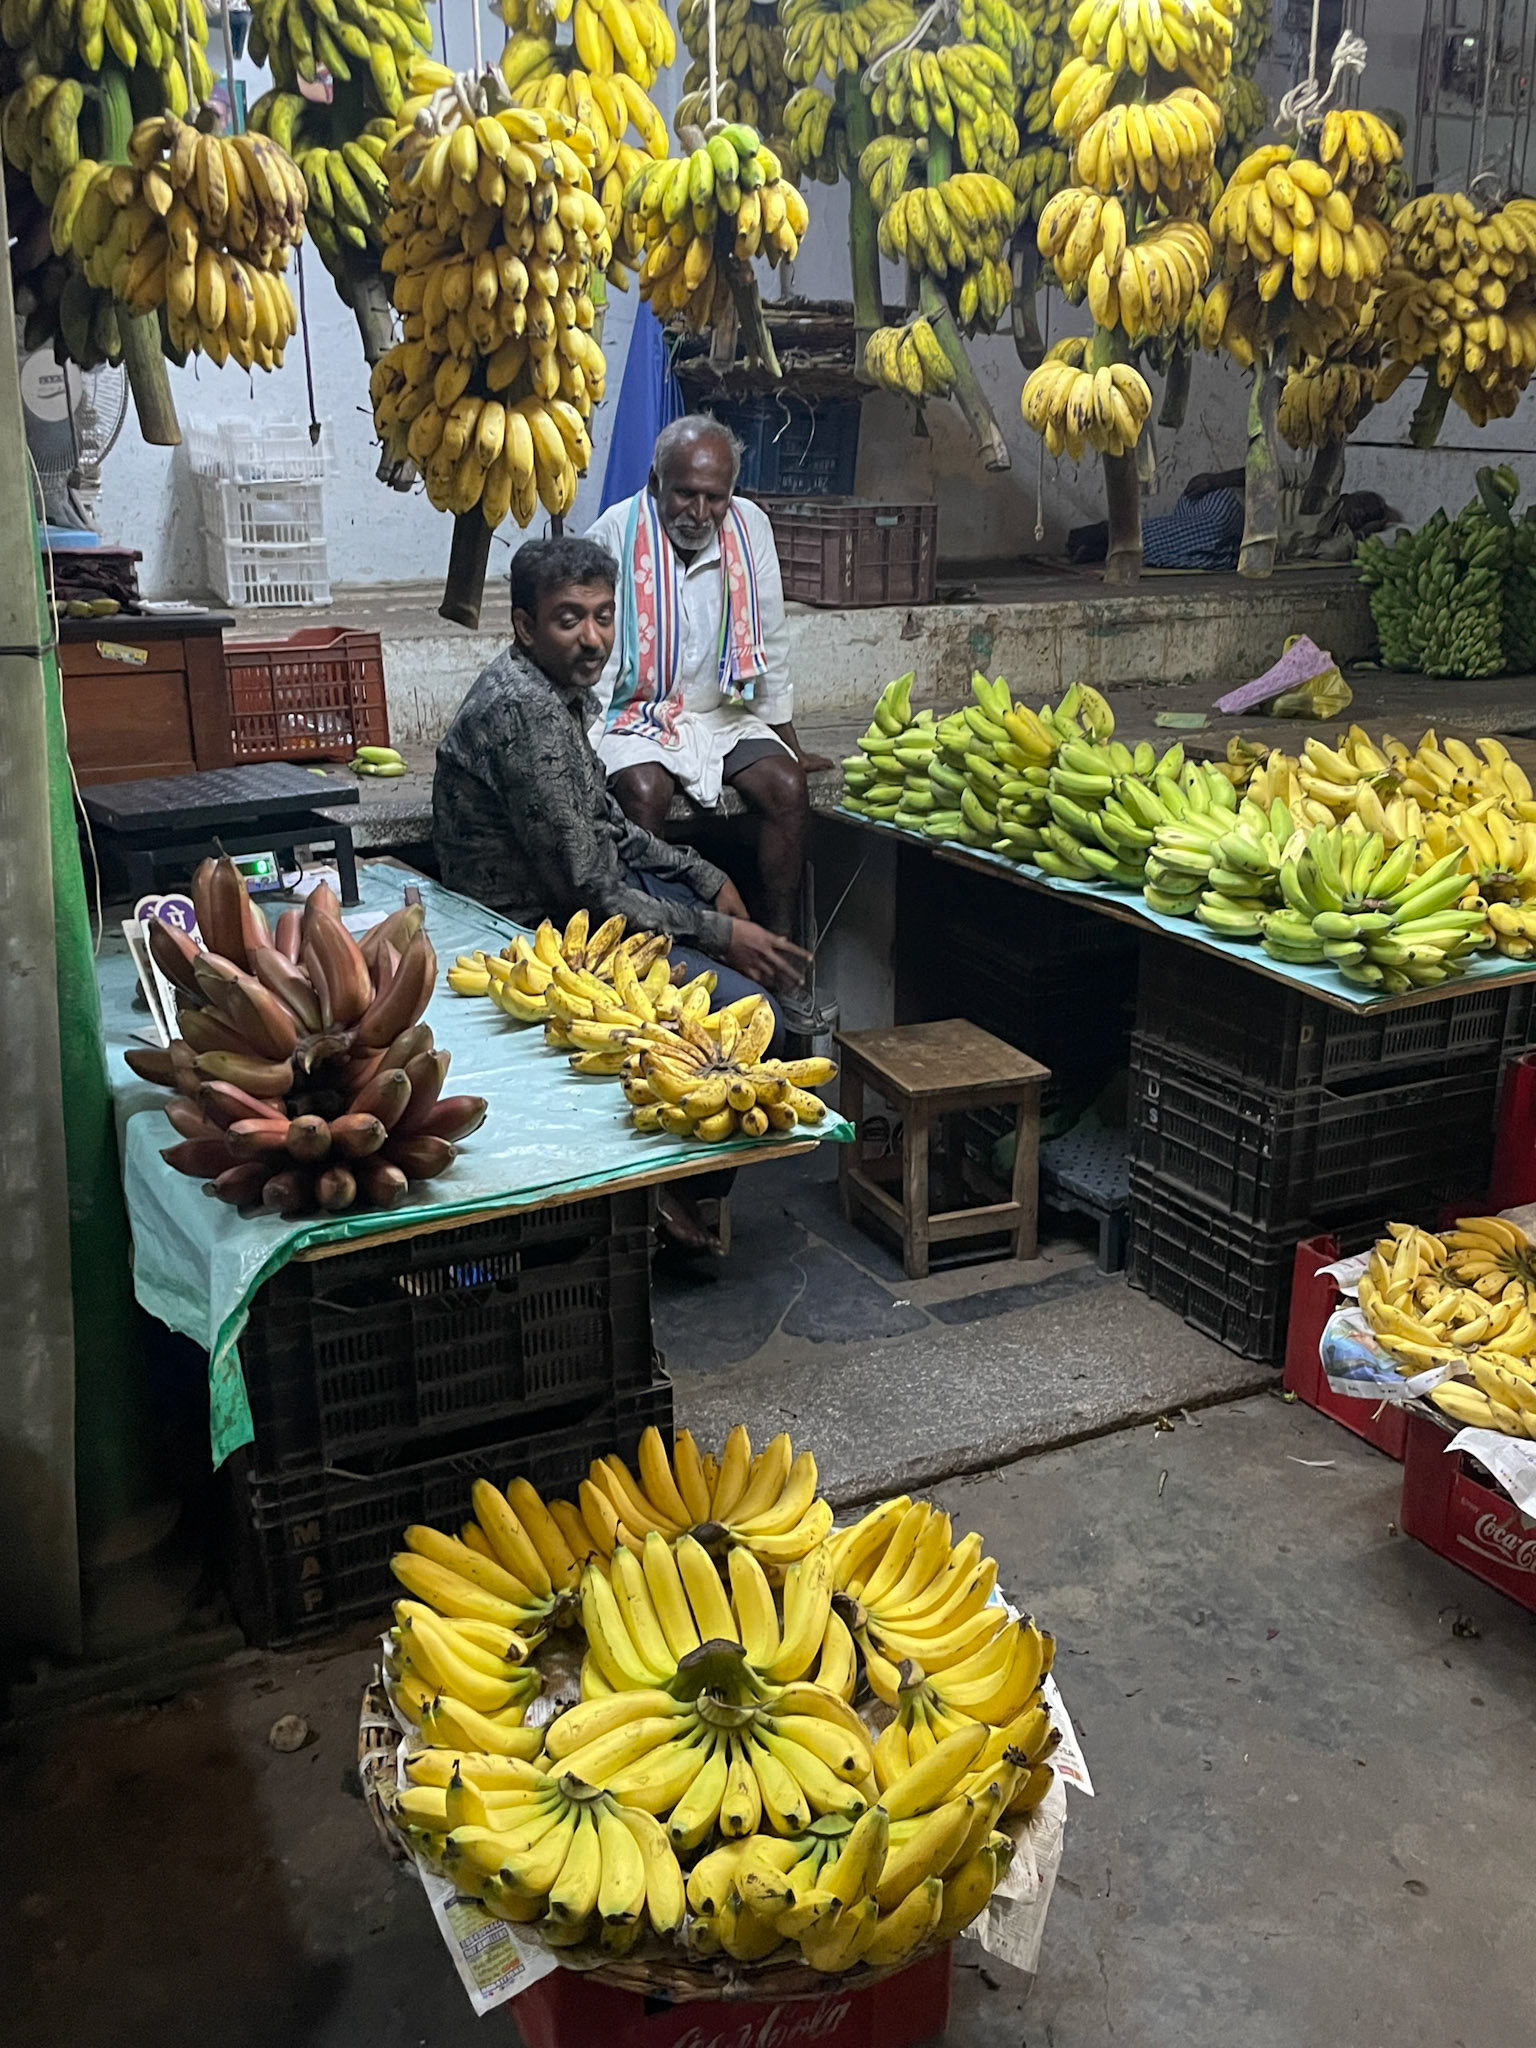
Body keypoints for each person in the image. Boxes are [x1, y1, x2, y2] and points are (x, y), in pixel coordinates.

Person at [432, 536, 810, 1251]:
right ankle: (662, 1197)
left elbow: (607, 825)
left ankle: (669, 1188)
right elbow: (593, 891)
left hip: (573, 906)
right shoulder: (527, 714)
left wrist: (705, 875)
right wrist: (718, 932)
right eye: (569, 619)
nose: (593, 638)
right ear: (525, 627)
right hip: (530, 939)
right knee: (752, 1014)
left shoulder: (556, 693)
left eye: (604, 617)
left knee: (737, 971)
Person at [585, 414, 832, 942]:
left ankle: (782, 952)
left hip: (720, 713)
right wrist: (582, 754)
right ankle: (646, 951)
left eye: (715, 498)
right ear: (655, 484)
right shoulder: (613, 533)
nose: (700, 513)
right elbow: (593, 658)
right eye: (685, 494)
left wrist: (787, 740)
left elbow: (769, 635)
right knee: (643, 790)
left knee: (789, 787)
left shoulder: (750, 528)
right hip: (635, 715)